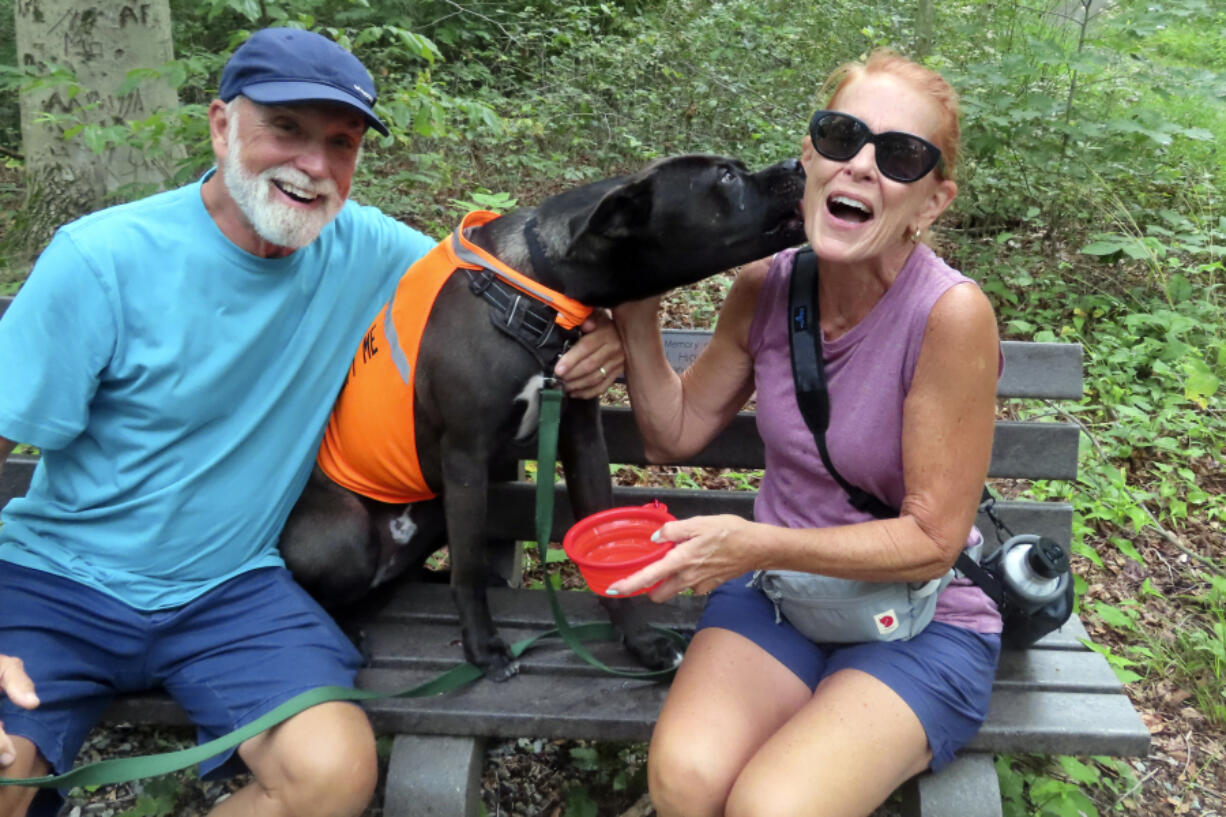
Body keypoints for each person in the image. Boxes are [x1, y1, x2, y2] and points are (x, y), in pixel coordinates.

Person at [0, 27, 620, 817]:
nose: (315, 165)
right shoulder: (102, 260)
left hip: (230, 588)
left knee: (329, 773)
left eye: (341, 142)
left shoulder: (373, 252)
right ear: (222, 125)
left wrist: (597, 335)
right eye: (285, 129)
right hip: (59, 585)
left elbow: (520, 283)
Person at [604, 49, 1003, 817]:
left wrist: (754, 543)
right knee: (686, 779)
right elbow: (673, 433)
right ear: (808, 156)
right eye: (841, 134)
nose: (860, 164)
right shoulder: (767, 285)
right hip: (785, 596)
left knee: (773, 805)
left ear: (932, 201)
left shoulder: (948, 316)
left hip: (920, 618)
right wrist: (636, 309)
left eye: (899, 155)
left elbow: (931, 541)